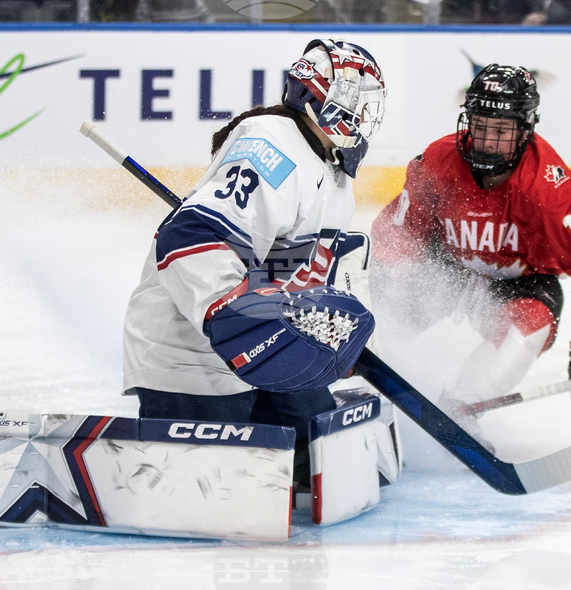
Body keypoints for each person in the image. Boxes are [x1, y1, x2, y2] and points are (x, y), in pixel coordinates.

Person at [123, 39, 387, 489]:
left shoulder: (332, 167)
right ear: (321, 96)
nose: (363, 114)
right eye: (356, 100)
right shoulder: (273, 147)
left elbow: (315, 268)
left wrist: (332, 336)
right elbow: (187, 237)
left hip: (269, 348)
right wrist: (232, 313)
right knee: (217, 489)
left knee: (328, 464)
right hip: (193, 354)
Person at [369, 64, 571, 418]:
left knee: (527, 329)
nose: (488, 142)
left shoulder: (549, 190)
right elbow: (400, 231)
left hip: (519, 288)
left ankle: (461, 409)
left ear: (525, 130)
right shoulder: (436, 162)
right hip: (445, 271)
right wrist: (380, 278)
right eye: (480, 126)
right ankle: (349, 389)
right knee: (380, 321)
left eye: (503, 130)